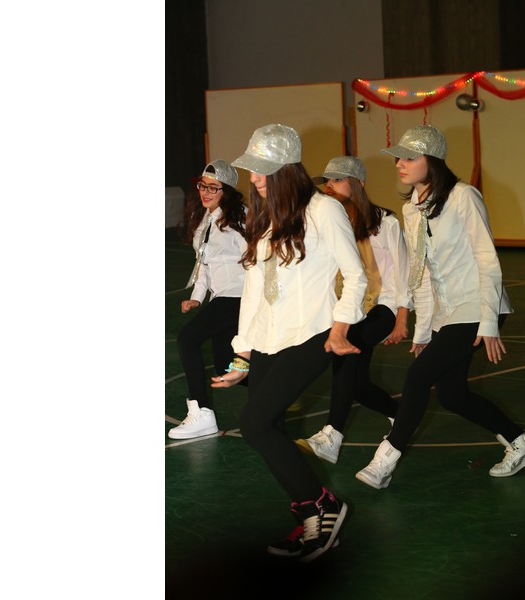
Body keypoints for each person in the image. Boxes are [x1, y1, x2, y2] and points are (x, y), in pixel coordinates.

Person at [355, 125, 525, 489]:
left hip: (478, 304)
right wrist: (425, 330)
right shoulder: (411, 209)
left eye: (409, 157)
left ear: (433, 160)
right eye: (398, 158)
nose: (399, 164)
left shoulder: (463, 197)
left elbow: (487, 260)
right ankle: (522, 442)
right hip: (449, 312)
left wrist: (488, 323)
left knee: (418, 377)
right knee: (452, 394)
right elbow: (423, 274)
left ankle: (384, 461)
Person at [211, 124, 366, 562]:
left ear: (286, 169)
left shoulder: (324, 210)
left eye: (262, 169)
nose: (254, 178)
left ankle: (324, 505)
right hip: (267, 339)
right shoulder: (265, 216)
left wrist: (341, 327)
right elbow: (254, 291)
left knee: (255, 423)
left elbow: (355, 275)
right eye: (252, 169)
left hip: (312, 334)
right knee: (269, 429)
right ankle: (308, 514)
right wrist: (242, 353)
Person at [297, 156, 409, 464]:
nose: (329, 187)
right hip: (349, 305)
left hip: (383, 304)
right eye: (327, 181)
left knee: (346, 350)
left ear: (359, 183)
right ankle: (403, 417)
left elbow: (404, 271)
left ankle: (332, 435)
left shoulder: (386, 223)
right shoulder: (331, 221)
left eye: (337, 180)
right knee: (357, 385)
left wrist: (402, 317)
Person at [168, 160, 247, 440]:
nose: (205, 192)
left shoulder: (240, 218)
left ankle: (201, 412)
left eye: (213, 188)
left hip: (238, 295)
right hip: (220, 298)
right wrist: (196, 298)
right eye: (203, 186)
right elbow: (204, 265)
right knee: (225, 364)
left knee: (187, 339)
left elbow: (256, 259)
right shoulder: (206, 219)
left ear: (227, 191)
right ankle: (275, 384)